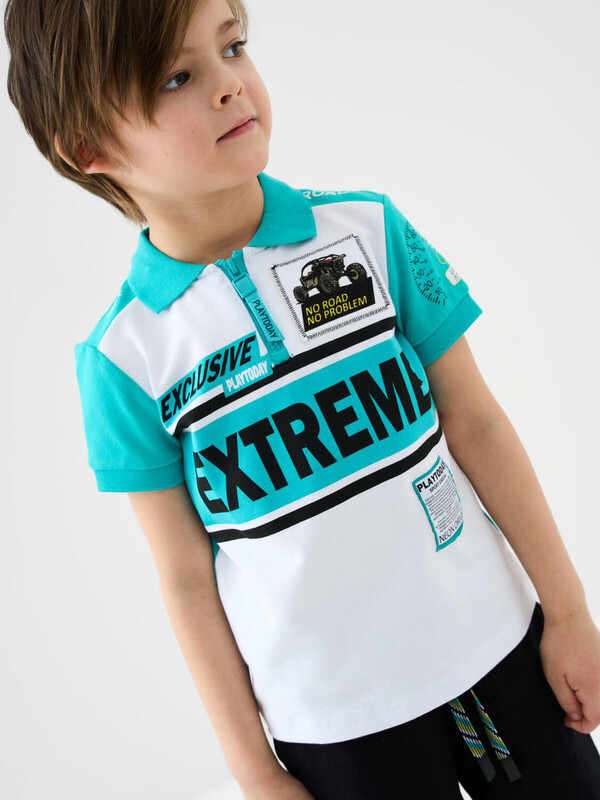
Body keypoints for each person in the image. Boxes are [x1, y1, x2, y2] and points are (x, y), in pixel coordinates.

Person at [5, 0, 600, 797]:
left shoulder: (367, 229)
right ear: (90, 148)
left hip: (496, 647)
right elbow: (186, 577)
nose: (230, 84)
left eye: (233, 47)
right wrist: (252, 768)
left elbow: (478, 421)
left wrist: (568, 611)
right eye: (178, 77)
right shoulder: (123, 359)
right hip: (337, 724)